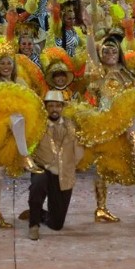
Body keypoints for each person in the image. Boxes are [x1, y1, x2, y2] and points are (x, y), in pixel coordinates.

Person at [25, 91, 82, 240]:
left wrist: (70, 166)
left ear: (62, 107)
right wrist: (31, 165)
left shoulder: (71, 126)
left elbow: (79, 150)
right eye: (51, 106)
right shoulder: (37, 125)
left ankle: (38, 213)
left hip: (63, 174)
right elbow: (26, 148)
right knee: (38, 183)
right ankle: (33, 224)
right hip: (42, 168)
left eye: (57, 106)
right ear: (46, 107)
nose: (54, 109)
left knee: (57, 224)